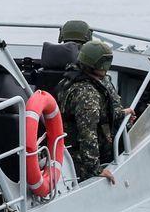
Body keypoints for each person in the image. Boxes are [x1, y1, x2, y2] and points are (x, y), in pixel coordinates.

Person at [56, 39, 136, 185]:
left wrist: (121, 113)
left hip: (70, 150)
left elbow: (100, 113)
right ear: (97, 65)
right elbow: (88, 134)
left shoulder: (72, 78)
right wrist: (96, 169)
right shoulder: (88, 94)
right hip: (80, 160)